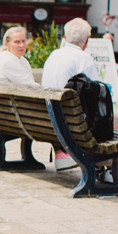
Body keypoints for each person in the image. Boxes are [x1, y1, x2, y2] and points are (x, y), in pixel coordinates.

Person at [42, 18, 100, 172]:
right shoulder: (84, 58)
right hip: (71, 121)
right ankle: (105, 168)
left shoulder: (54, 54)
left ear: (65, 38)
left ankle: (61, 154)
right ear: (87, 40)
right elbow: (97, 91)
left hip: (47, 118)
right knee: (108, 120)